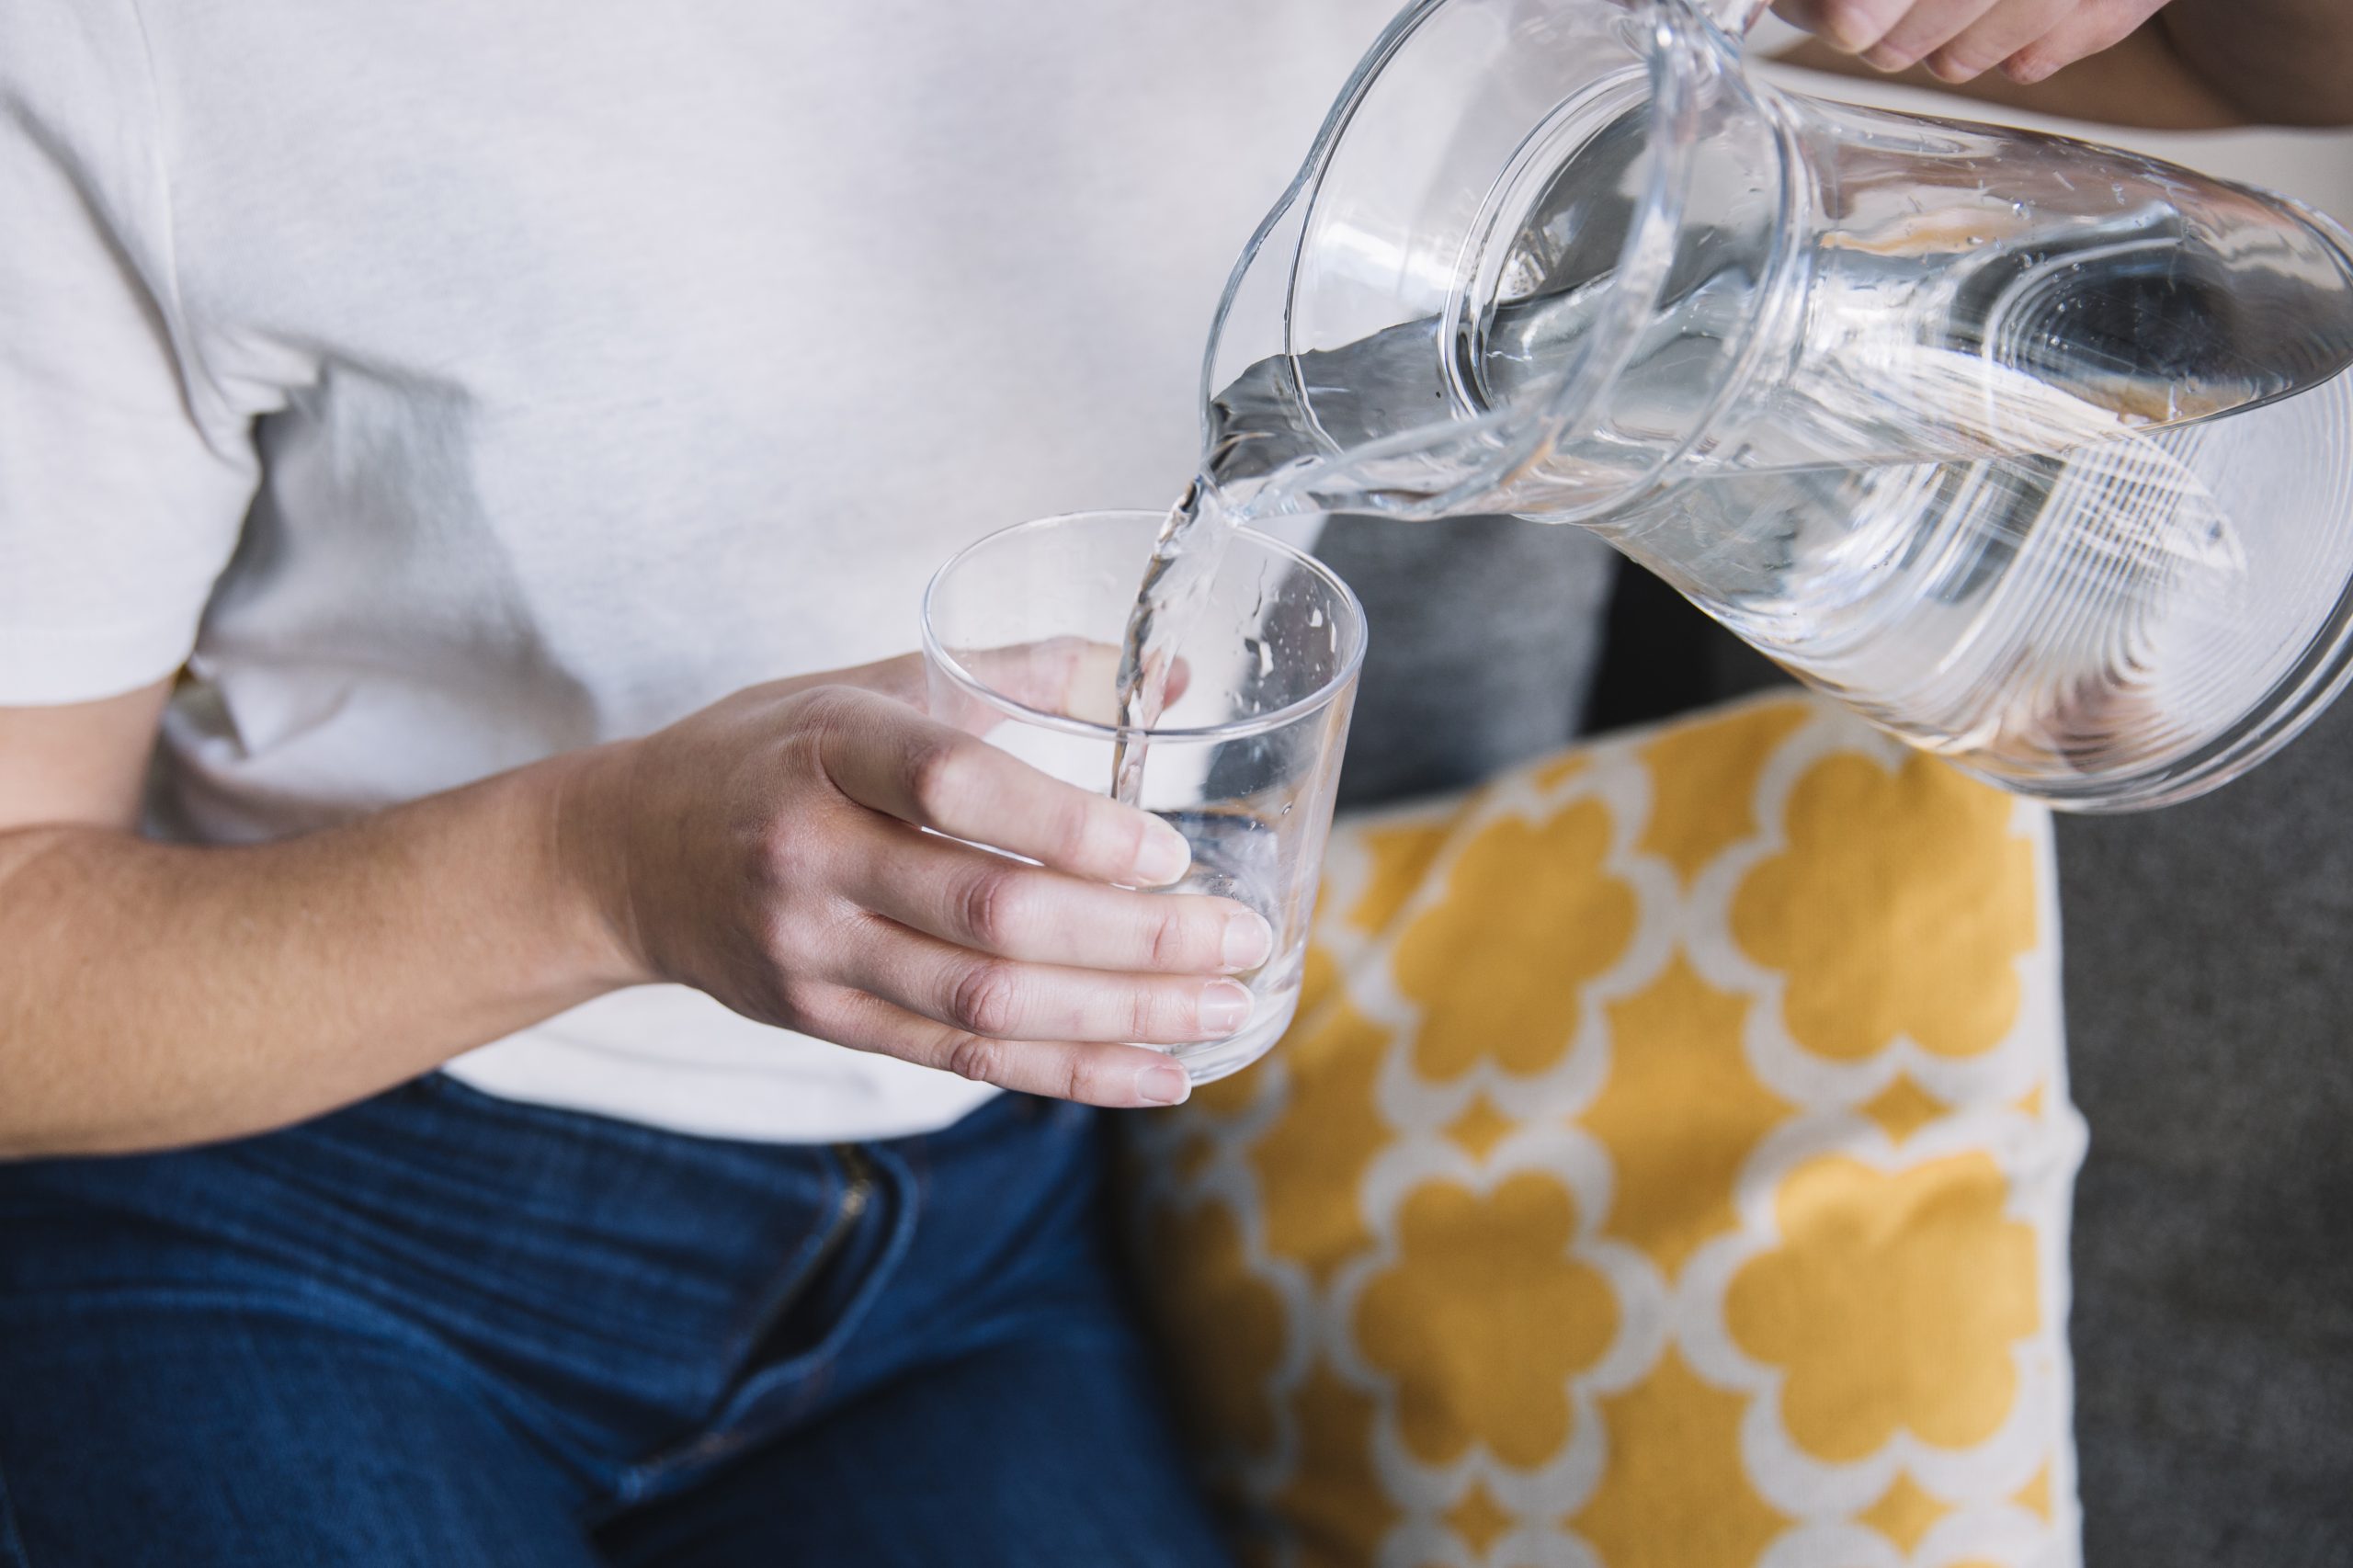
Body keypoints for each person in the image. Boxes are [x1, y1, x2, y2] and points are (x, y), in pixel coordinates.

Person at [0, 3, 2345, 1564]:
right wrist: (604, 864)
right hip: (308, 1213)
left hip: (990, 1232)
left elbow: (2295, 92)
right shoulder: (171, 54)